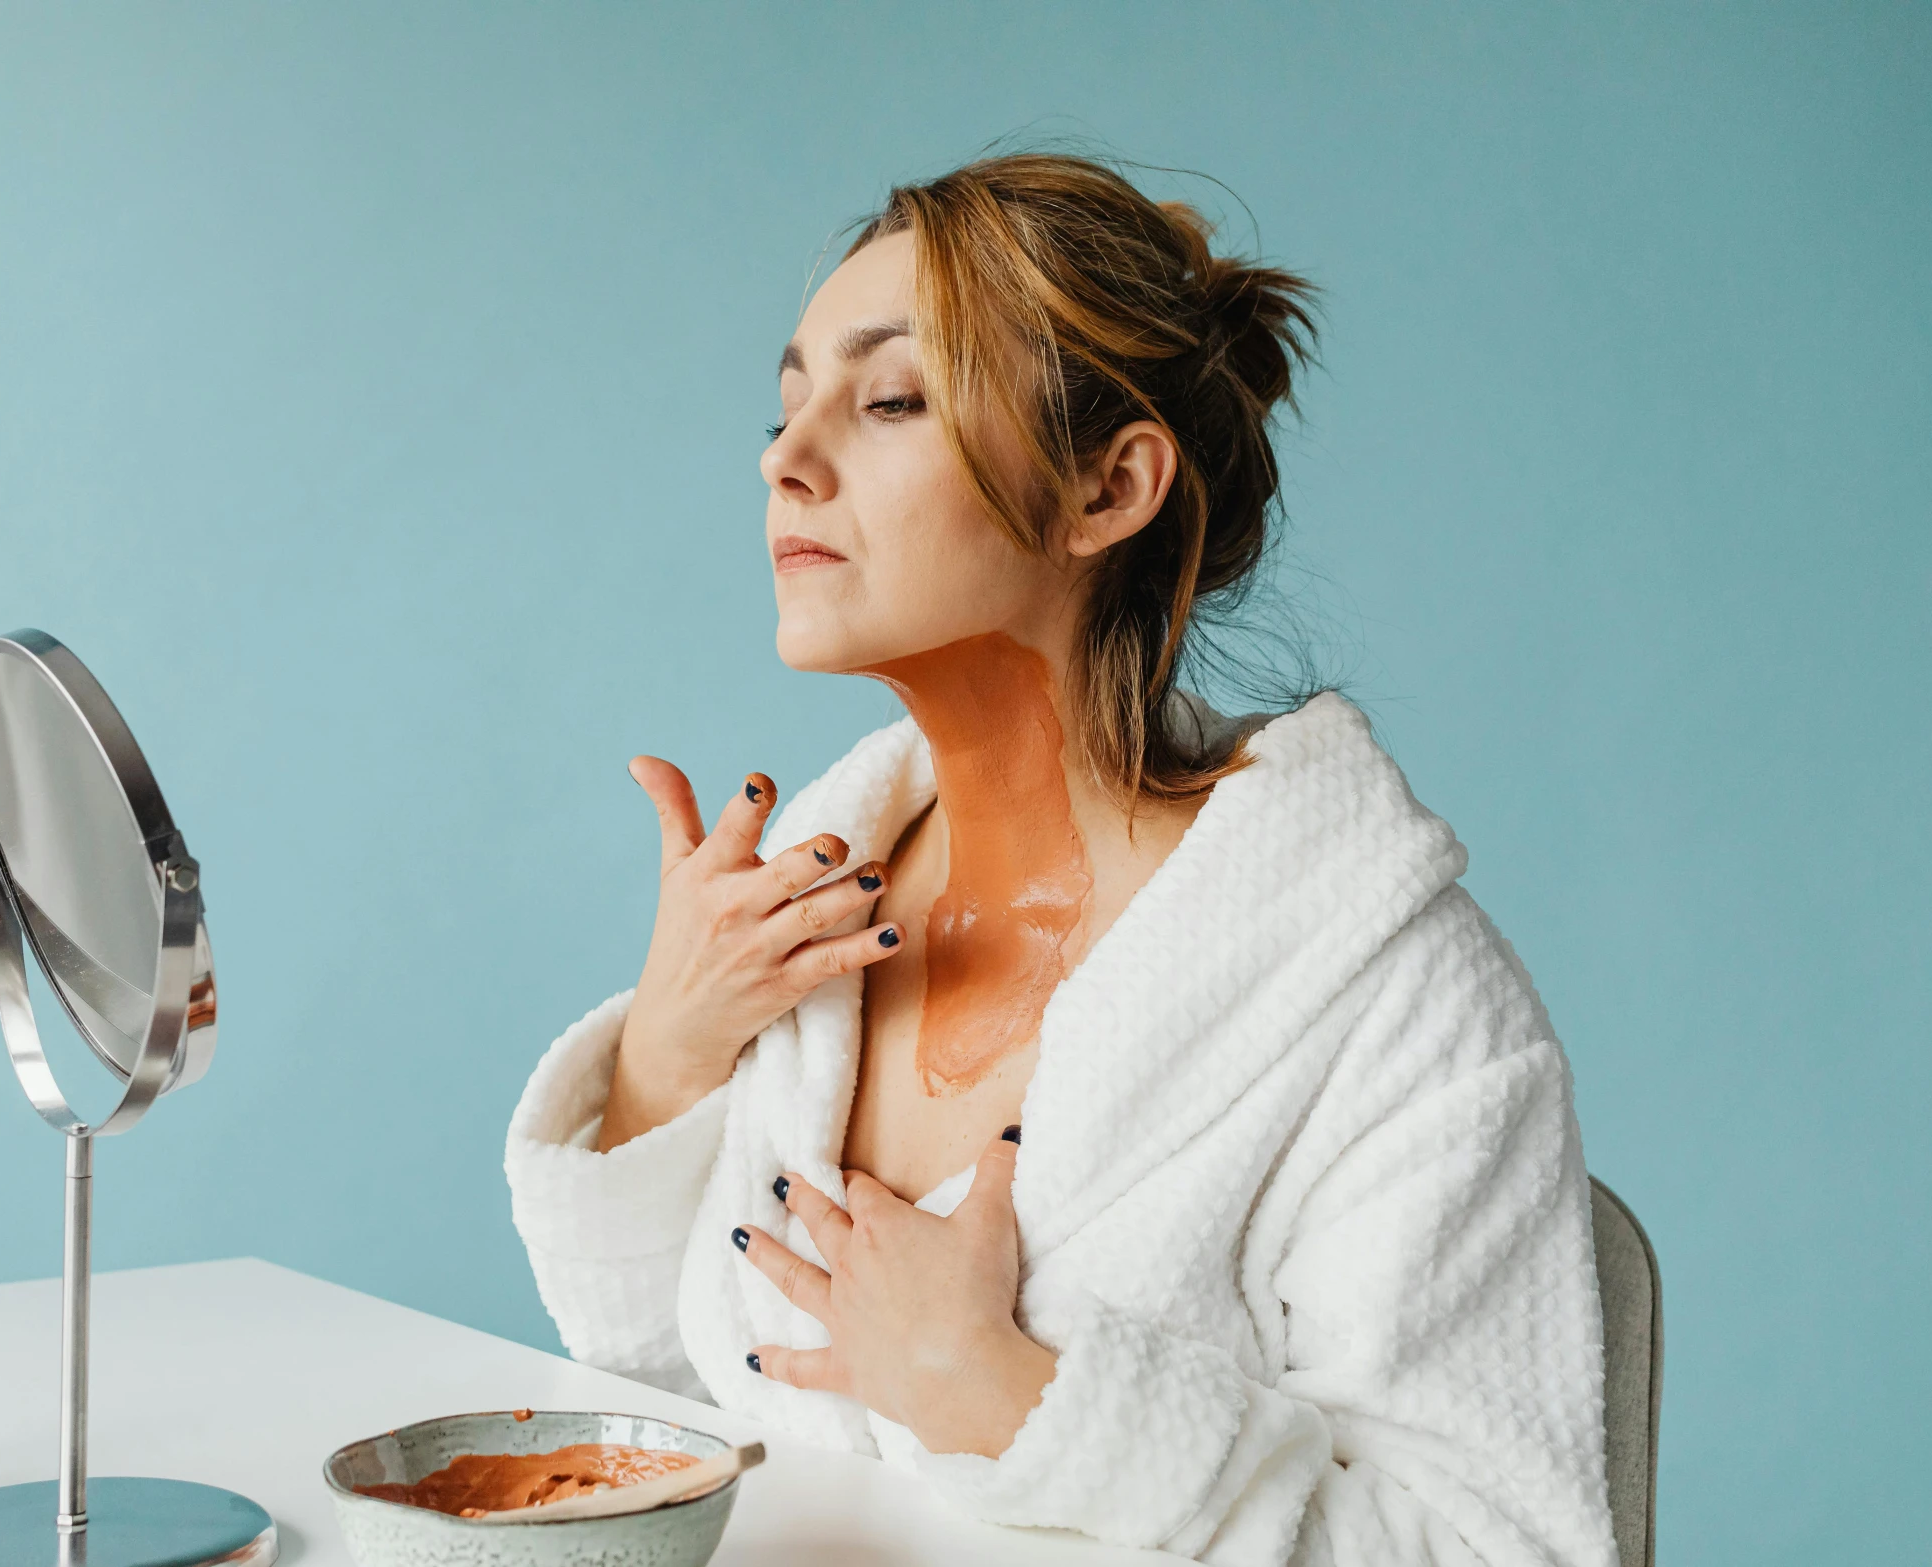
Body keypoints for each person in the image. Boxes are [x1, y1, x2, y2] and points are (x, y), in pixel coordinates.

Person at [505, 152, 1616, 1565]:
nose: (782, 457)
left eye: (889, 398)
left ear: (1107, 488)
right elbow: (657, 1400)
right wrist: (665, 1057)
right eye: (784, 403)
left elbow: (1496, 1546)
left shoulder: (1389, 1006)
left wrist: (1017, 1399)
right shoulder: (800, 911)